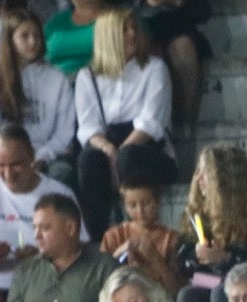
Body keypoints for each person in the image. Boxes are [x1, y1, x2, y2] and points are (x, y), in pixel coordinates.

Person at [74, 9, 176, 243]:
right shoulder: (87, 76)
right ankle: (99, 239)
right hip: (109, 146)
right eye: (124, 30)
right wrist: (109, 150)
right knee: (88, 161)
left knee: (129, 157)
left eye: (133, 28)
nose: (132, 34)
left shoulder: (154, 69)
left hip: (147, 149)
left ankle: (138, 232)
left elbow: (151, 124)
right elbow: (88, 127)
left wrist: (119, 155)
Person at [172, 146, 247, 302]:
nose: (199, 179)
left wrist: (225, 259)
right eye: (198, 172)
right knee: (188, 295)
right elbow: (183, 267)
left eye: (206, 174)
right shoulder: (198, 216)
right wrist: (196, 255)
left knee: (220, 294)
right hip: (208, 281)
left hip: (246, 287)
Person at [0, 15, 75, 179]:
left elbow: (64, 132)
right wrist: (14, 158)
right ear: (9, 40)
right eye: (25, 36)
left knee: (62, 174)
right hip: (0, 159)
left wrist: (41, 156)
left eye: (36, 35)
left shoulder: (57, 78)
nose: (33, 41)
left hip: (46, 157)